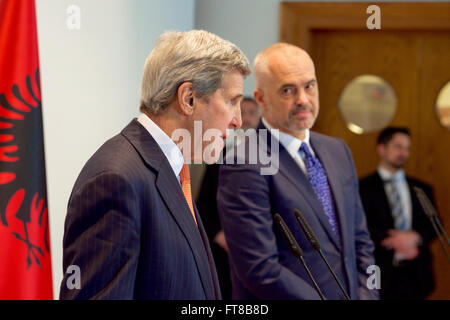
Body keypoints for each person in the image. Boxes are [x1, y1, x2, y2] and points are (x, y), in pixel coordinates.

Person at [59, 30, 251, 299]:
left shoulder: (171, 170)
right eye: (232, 101)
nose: (238, 121)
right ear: (189, 99)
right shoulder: (116, 180)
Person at [217, 43, 378, 300]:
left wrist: (368, 294)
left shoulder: (338, 151)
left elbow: (361, 241)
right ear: (260, 99)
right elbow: (259, 269)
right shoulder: (245, 161)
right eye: (288, 90)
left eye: (309, 86)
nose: (303, 99)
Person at [359, 127, 436, 299]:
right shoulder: (362, 188)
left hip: (417, 273)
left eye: (407, 148)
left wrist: (415, 238)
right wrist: (396, 242)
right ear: (381, 149)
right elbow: (359, 226)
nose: (404, 153)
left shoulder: (421, 189)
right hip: (379, 271)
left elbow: (434, 225)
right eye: (398, 146)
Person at [196, 97, 260, 300]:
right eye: (243, 113)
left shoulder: (272, 157)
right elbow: (203, 204)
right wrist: (218, 234)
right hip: (225, 253)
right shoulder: (218, 155)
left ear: (259, 119)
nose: (247, 119)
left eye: (252, 113)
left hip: (262, 252)